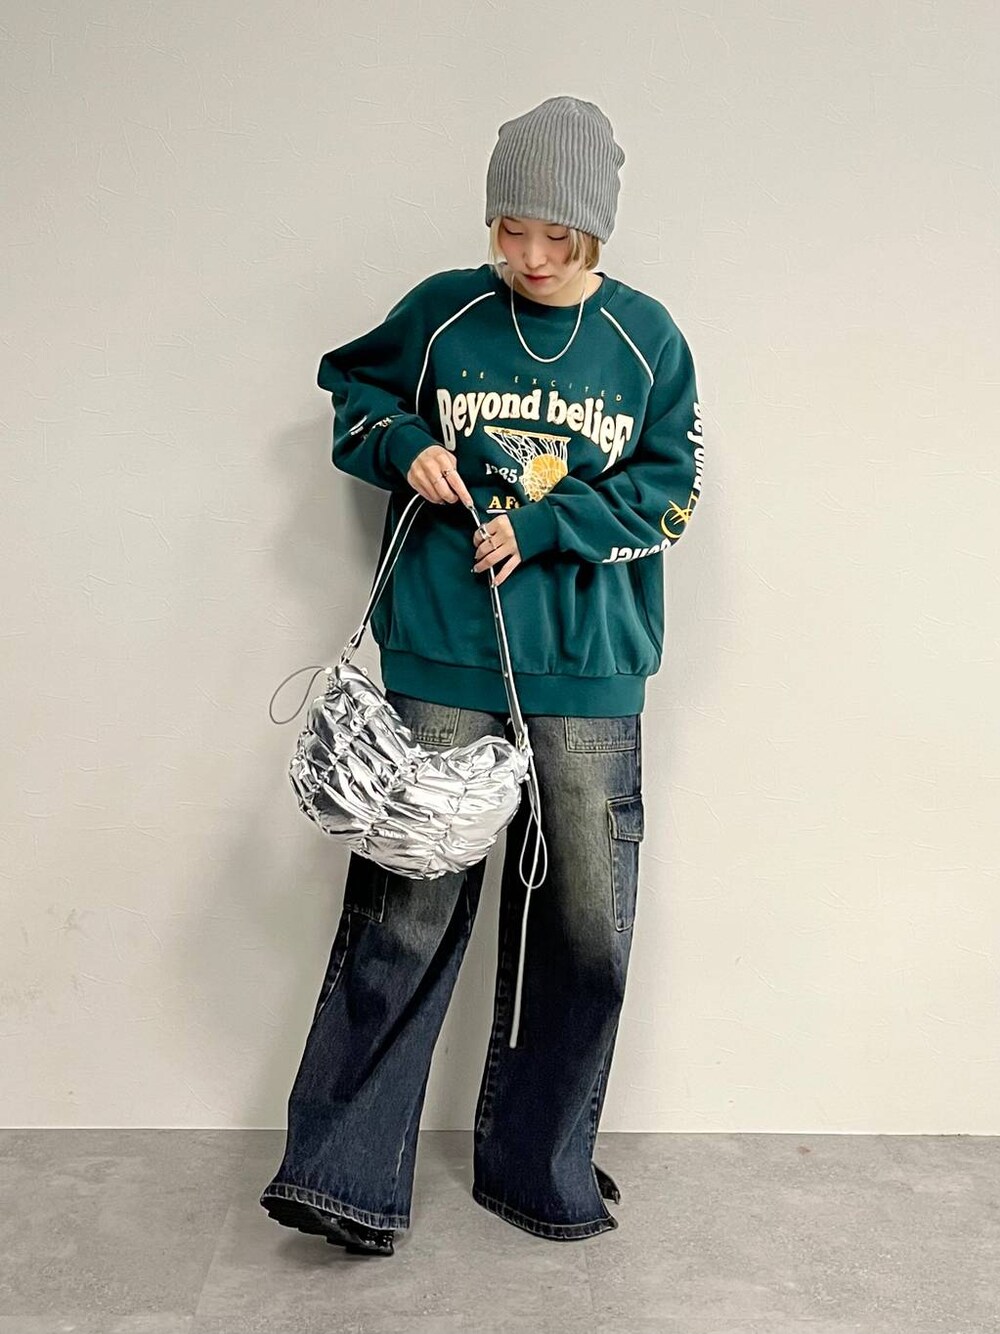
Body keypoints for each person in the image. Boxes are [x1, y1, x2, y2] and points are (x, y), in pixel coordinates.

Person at [259, 95, 705, 1256]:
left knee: (584, 929)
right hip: (445, 648)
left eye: (557, 235)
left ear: (596, 228)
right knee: (404, 907)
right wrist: (404, 443)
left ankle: (539, 1167)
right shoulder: (445, 312)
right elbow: (352, 392)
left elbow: (671, 492)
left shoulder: (647, 340)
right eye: (512, 228)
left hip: (588, 666)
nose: (532, 256)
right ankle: (343, 1175)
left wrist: (548, 523)